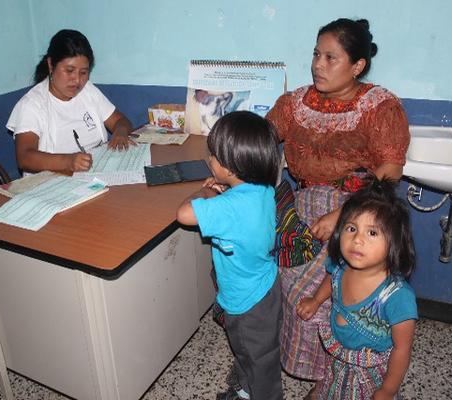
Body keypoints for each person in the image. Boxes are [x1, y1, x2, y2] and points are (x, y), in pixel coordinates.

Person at [264, 18, 410, 391]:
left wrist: (344, 214)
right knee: (275, 272)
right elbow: (261, 137)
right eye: (316, 54)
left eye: (331, 57)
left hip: (358, 211)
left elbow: (390, 171)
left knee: (324, 289)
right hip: (305, 202)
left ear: (357, 65)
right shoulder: (296, 103)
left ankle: (331, 376)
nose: (317, 65)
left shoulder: (379, 107)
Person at [177, 111, 283, 400]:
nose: (209, 160)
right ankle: (245, 389)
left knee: (258, 357)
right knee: (253, 351)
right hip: (265, 286)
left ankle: (261, 394)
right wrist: (223, 192)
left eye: (212, 156)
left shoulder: (229, 207)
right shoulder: (262, 188)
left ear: (228, 166)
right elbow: (237, 206)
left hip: (247, 302)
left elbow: (184, 214)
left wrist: (203, 191)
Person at [296, 177, 417, 399]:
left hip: (371, 369)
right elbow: (332, 281)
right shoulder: (342, 265)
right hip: (340, 356)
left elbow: (402, 349)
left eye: (372, 233)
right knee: (333, 384)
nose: (357, 239)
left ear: (395, 242)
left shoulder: (397, 297)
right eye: (351, 228)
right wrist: (316, 300)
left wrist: (388, 391)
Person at [6, 29, 134, 175]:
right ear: (50, 64)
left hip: (94, 175)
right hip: (52, 184)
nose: (77, 80)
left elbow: (120, 121)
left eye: (83, 73)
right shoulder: (31, 105)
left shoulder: (88, 91)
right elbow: (25, 157)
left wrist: (121, 131)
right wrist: (68, 162)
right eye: (69, 70)